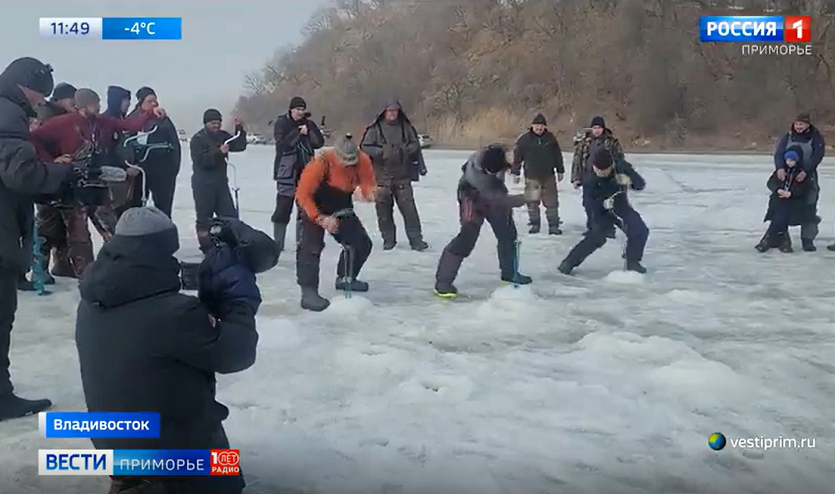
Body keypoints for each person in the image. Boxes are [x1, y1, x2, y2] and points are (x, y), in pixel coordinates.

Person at [75, 207, 261, 494]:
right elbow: (237, 352)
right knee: (226, 477)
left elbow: (157, 331)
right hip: (169, 457)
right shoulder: (174, 314)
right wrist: (239, 303)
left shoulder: (93, 298)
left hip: (115, 447)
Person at [0, 56, 79, 419]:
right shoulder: (7, 112)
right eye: (38, 96)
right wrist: (58, 173)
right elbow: (21, 175)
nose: (37, 104)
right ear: (26, 86)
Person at [31, 88, 161, 277]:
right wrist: (52, 160)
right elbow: (34, 138)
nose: (99, 106)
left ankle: (124, 268)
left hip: (96, 182)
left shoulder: (102, 122)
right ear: (82, 106)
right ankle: (87, 276)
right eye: (94, 103)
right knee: (79, 236)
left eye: (98, 102)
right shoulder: (63, 123)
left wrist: (149, 114)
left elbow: (129, 126)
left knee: (112, 227)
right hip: (71, 186)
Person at [434, 144, 533, 298]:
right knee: (467, 237)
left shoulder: (497, 153)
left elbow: (514, 157)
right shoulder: (477, 176)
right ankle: (443, 282)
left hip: (495, 191)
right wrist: (526, 197)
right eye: (489, 172)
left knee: (507, 233)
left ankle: (510, 273)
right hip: (471, 197)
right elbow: (500, 199)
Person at [294, 134, 376, 312]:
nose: (348, 164)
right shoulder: (320, 162)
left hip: (340, 202)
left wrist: (369, 193)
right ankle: (308, 293)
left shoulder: (362, 160)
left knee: (361, 243)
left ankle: (346, 277)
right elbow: (302, 195)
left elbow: (368, 182)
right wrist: (321, 219)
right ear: (336, 156)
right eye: (344, 161)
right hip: (314, 203)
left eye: (352, 161)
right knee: (311, 246)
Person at [558, 149, 648, 275]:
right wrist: (601, 204)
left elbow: (641, 184)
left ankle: (633, 262)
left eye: (605, 171)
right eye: (598, 170)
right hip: (600, 212)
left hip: (621, 208)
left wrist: (630, 180)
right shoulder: (589, 178)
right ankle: (568, 263)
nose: (601, 173)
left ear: (611, 166)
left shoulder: (621, 167)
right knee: (597, 237)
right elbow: (588, 203)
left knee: (640, 230)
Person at [360, 100, 429, 251]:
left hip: (402, 177)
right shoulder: (375, 129)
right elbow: (365, 147)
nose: (392, 113)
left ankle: (416, 240)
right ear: (384, 112)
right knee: (384, 213)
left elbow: (415, 145)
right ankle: (388, 240)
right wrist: (382, 152)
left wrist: (404, 150)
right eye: (390, 111)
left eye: (395, 111)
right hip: (381, 178)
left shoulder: (406, 127)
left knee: (410, 211)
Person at [271, 96, 324, 257]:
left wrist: (310, 133)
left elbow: (318, 143)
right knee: (282, 209)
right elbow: (282, 144)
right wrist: (297, 133)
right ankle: (278, 244)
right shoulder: (282, 123)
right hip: (286, 172)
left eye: (302, 109)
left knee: (305, 210)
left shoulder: (309, 124)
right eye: (297, 109)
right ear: (291, 110)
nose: (300, 112)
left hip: (306, 172)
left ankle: (302, 243)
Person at [190, 109, 247, 252]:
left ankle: (229, 245)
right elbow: (200, 161)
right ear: (206, 124)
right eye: (212, 123)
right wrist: (218, 153)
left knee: (229, 217)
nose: (216, 126)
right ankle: (206, 248)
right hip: (202, 184)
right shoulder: (197, 139)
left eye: (218, 123)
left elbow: (239, 145)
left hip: (221, 183)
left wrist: (239, 129)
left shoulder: (222, 136)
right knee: (204, 218)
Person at [771, 112, 826, 252]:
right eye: (796, 124)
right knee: (782, 206)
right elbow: (779, 153)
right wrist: (780, 168)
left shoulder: (816, 137)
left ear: (808, 125)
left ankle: (807, 239)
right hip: (789, 175)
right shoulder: (787, 136)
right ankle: (781, 237)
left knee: (809, 207)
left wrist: (806, 171)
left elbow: (817, 156)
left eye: (801, 124)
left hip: (808, 176)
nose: (798, 127)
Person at [125, 86, 182, 218]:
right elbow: (126, 143)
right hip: (140, 170)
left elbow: (174, 144)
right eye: (150, 101)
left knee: (164, 208)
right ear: (141, 102)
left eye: (155, 100)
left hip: (162, 171)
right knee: (136, 206)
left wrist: (173, 169)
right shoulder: (132, 119)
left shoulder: (163, 120)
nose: (154, 104)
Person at [511, 113, 564, 235]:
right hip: (531, 176)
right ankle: (535, 224)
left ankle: (553, 225)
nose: (539, 128)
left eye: (541, 126)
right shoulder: (524, 139)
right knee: (532, 202)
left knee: (552, 202)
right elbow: (518, 157)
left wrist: (560, 170)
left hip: (548, 175)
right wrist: (516, 172)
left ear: (545, 127)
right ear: (532, 126)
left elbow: (557, 155)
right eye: (536, 126)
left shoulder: (551, 139)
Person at [571, 116, 625, 237]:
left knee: (606, 205)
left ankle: (608, 229)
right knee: (588, 204)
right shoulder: (585, 142)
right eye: (594, 128)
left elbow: (620, 159)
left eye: (599, 128)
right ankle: (592, 227)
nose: (596, 130)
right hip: (588, 178)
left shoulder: (611, 142)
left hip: (606, 179)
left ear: (603, 128)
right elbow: (577, 160)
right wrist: (576, 178)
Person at [756, 149, 813, 253]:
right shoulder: (781, 171)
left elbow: (804, 188)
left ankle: (768, 240)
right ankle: (783, 241)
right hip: (778, 199)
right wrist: (778, 190)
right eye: (787, 160)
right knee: (779, 214)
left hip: (793, 201)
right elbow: (771, 183)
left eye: (792, 160)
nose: (789, 162)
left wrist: (791, 193)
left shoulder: (800, 174)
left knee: (781, 216)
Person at [101, 85, 142, 218]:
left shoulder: (122, 120)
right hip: (115, 180)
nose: (129, 103)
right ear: (117, 101)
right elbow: (106, 152)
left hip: (128, 180)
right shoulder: (106, 122)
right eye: (126, 100)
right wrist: (124, 168)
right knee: (117, 216)